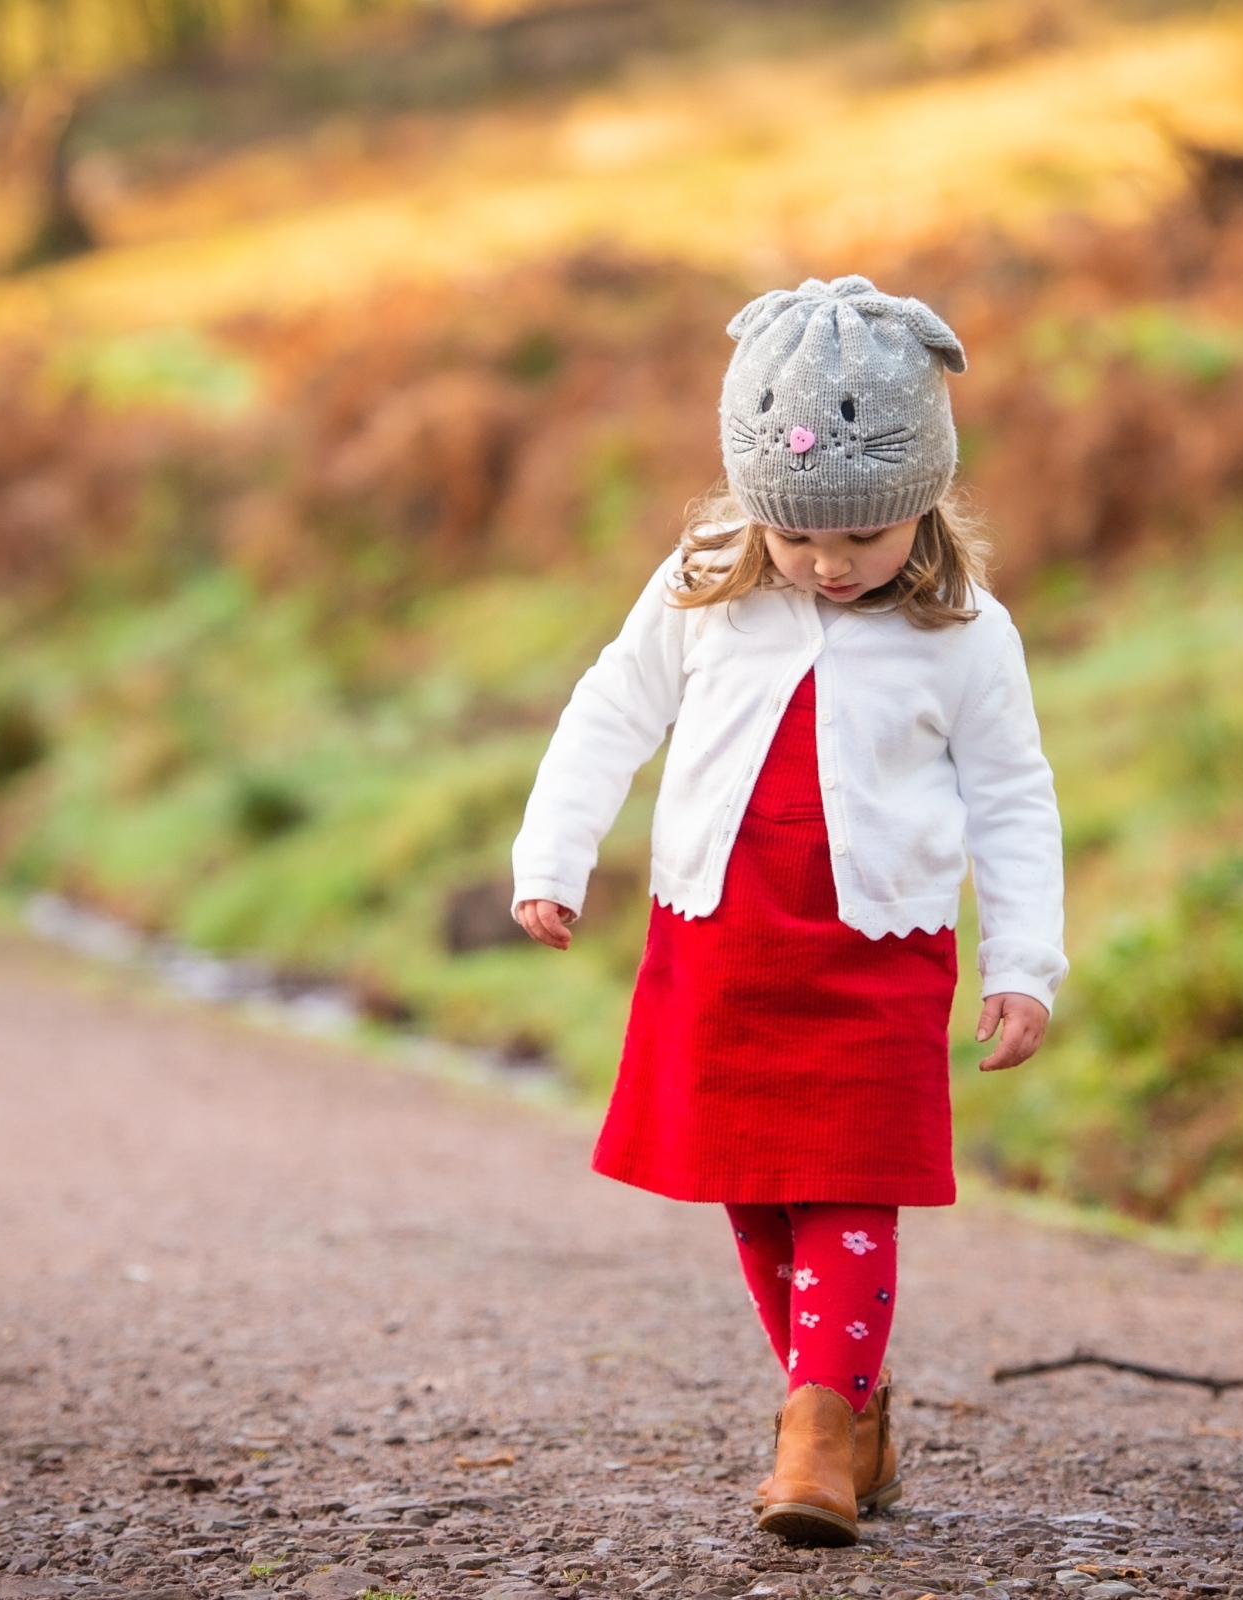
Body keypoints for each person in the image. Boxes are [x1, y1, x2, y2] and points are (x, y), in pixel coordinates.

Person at [508, 275, 1067, 1547]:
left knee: (849, 1176)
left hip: (879, 949)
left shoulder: (965, 633)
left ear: (920, 503)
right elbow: (611, 711)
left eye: (858, 539)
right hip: (723, 933)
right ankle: (848, 1407)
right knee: (755, 1184)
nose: (824, 563)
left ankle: (814, 1424)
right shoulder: (708, 578)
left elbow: (1014, 799)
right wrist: (555, 854)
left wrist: (1024, 960)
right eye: (798, 535)